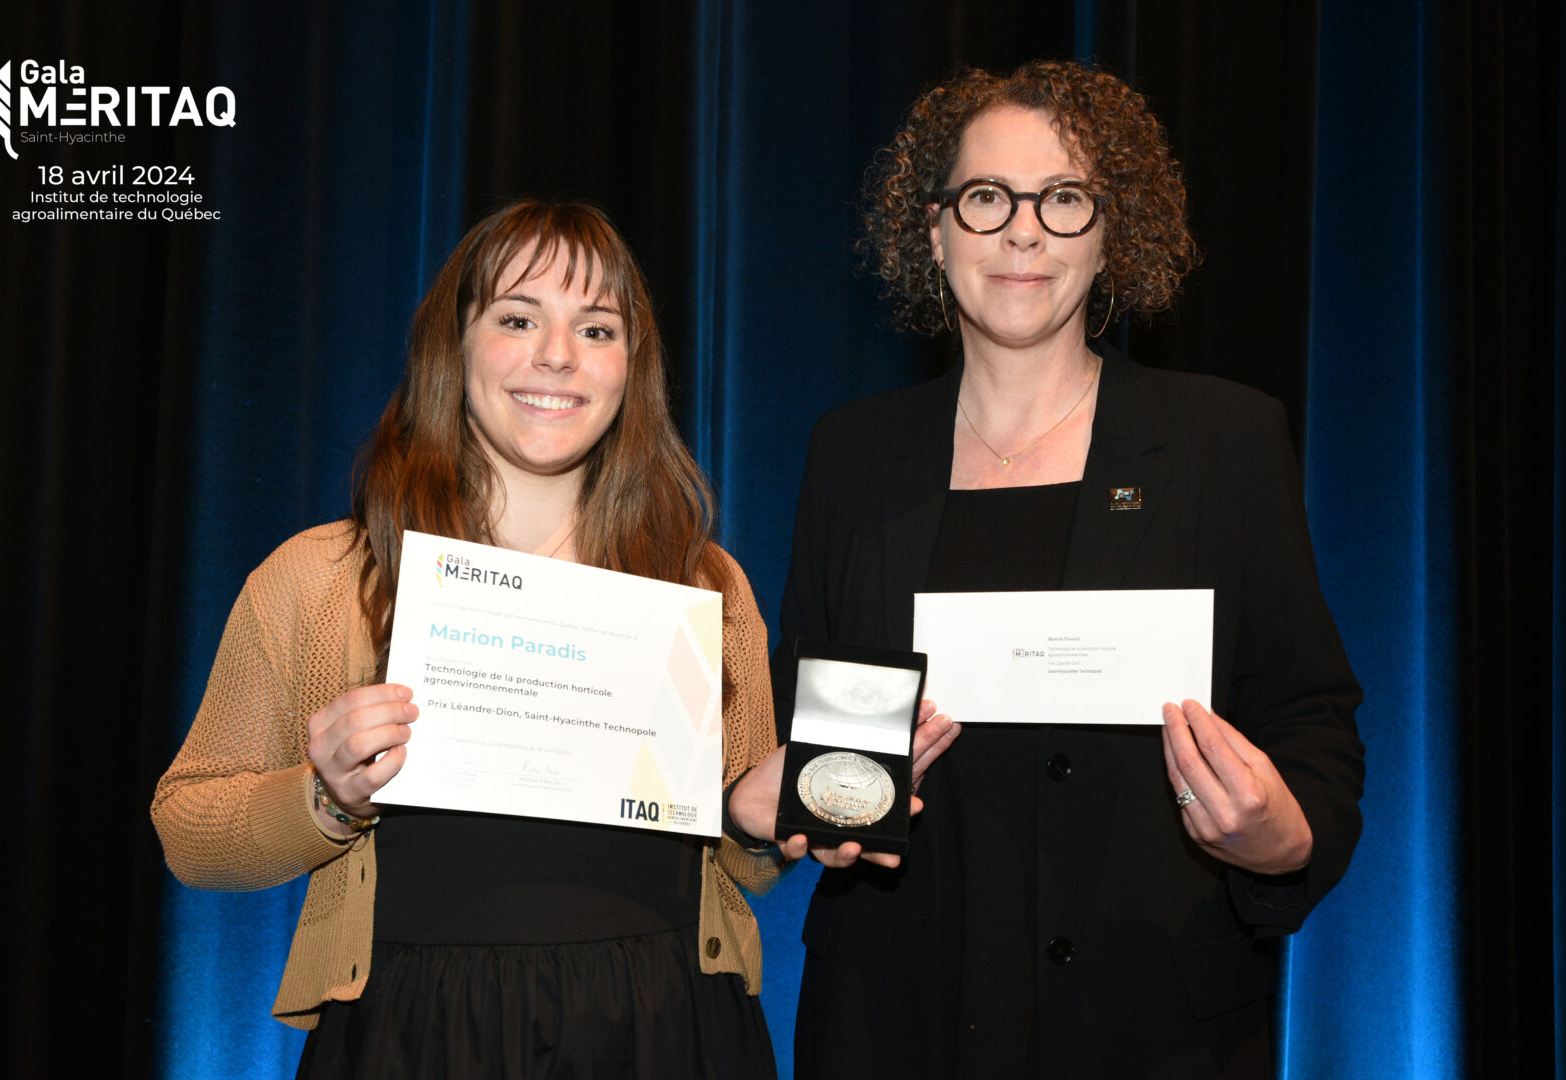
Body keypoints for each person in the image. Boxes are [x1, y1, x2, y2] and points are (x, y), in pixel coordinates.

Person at [151, 198, 952, 1078]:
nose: (557, 356)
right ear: (452, 347)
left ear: (630, 369)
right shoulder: (324, 577)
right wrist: (327, 796)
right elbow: (189, 831)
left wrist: (755, 817)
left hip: (668, 1028)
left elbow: (745, 868)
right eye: (518, 318)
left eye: (597, 329)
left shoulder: (704, 585)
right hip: (415, 1039)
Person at [775, 61, 1365, 1078]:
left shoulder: (1223, 440)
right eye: (986, 198)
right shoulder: (854, 453)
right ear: (934, 229)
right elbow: (817, 717)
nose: (1023, 231)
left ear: (1109, 234)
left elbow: (1310, 715)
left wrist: (1280, 837)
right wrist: (830, 813)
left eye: (1064, 199)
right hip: (893, 1015)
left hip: (1154, 1020)